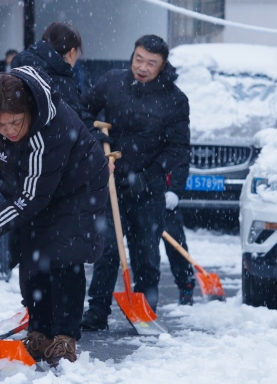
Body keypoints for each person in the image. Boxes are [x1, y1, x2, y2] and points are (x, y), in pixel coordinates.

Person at [0, 66, 109, 366]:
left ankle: (65, 338)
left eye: (16, 122)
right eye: (0, 125)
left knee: (64, 254)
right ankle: (39, 333)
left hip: (78, 186)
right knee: (32, 257)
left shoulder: (49, 131)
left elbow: (31, 198)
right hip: (35, 182)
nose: (8, 130)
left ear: (29, 110)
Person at [79, 35, 191, 331]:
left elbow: (178, 148)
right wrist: (95, 134)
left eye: (151, 63)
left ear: (163, 64)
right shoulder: (112, 82)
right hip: (112, 183)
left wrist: (148, 176)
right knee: (107, 251)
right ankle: (98, 310)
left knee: (146, 254)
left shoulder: (175, 99)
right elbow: (82, 109)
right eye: (139, 59)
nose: (142, 67)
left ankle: (143, 311)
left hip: (147, 188)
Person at [11, 21, 85, 119]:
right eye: (78, 53)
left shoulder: (20, 68)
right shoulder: (63, 85)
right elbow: (75, 128)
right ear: (72, 52)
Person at [164, 163, 196, 305]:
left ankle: (186, 284)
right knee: (144, 250)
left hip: (166, 196)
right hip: (140, 193)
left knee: (175, 240)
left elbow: (180, 162)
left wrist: (174, 191)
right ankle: (143, 292)